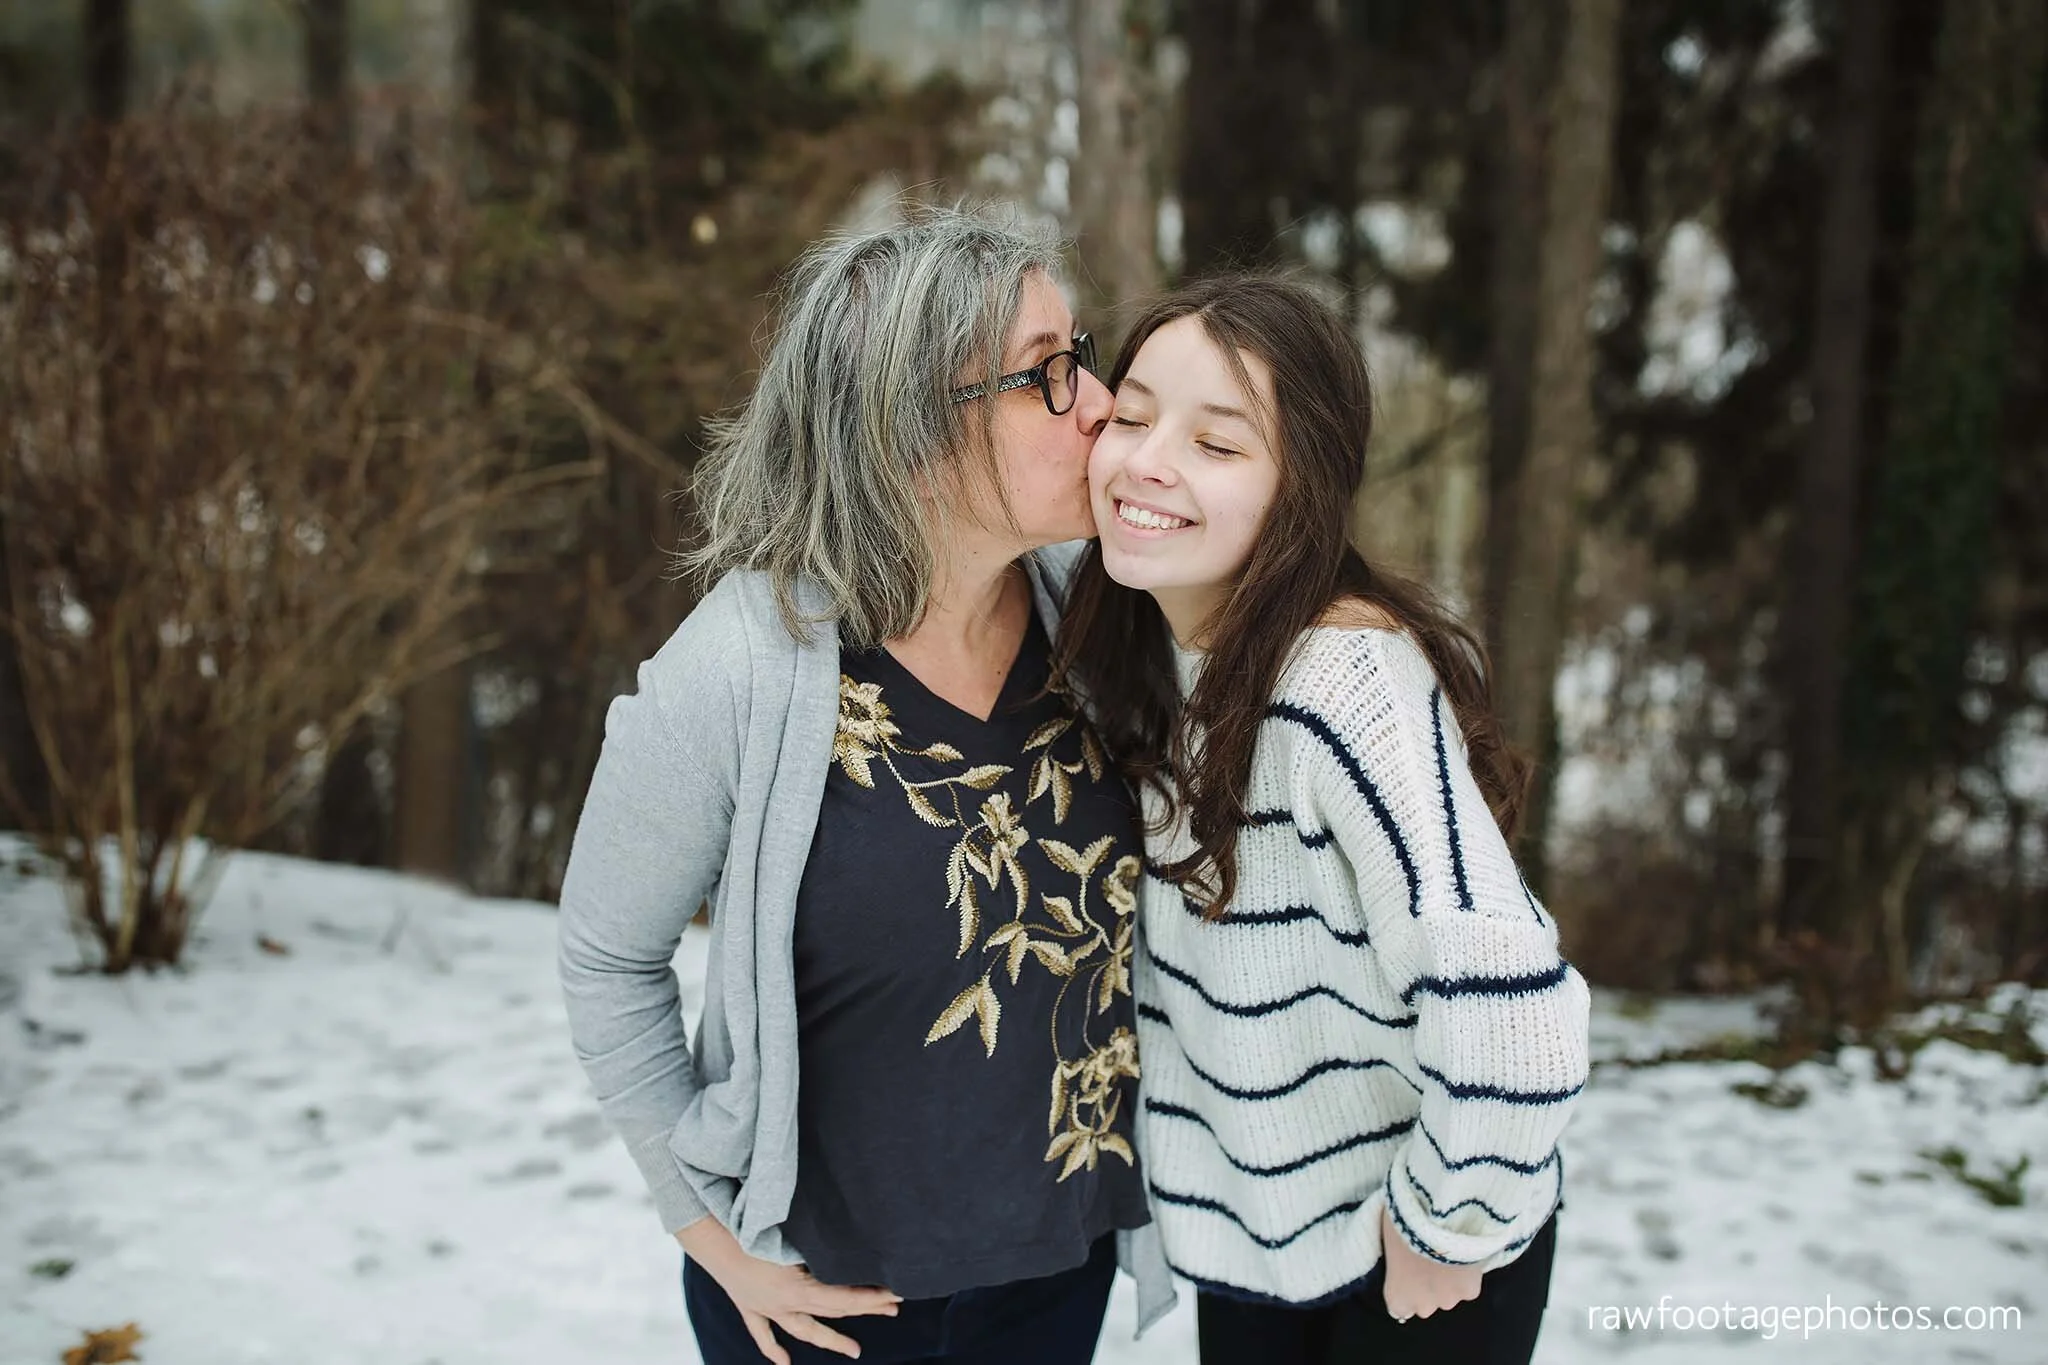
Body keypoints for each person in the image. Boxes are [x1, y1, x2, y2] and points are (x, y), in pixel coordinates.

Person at [555, 206, 1172, 1365]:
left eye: (1079, 355)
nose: (1096, 404)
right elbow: (605, 957)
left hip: (1054, 1279)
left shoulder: (1100, 622)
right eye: (1047, 375)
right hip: (821, 1310)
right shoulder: (735, 670)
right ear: (910, 432)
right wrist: (702, 1226)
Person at [1053, 274, 1592, 1365]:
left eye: (1217, 442)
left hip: (1409, 1251)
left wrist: (1447, 1229)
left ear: (1300, 489)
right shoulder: (1155, 647)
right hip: (1260, 1246)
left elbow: (1510, 1000)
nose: (1148, 460)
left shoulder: (1339, 686)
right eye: (1135, 412)